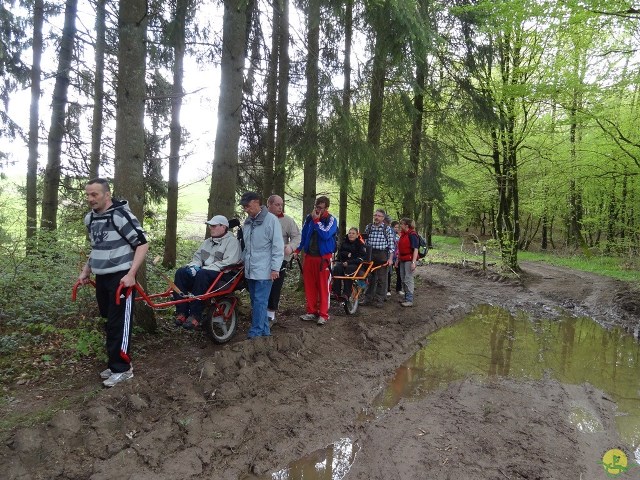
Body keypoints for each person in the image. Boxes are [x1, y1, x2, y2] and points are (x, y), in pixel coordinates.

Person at [77, 178, 149, 388]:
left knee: (119, 323)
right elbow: (97, 247)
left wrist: (131, 274)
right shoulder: (90, 219)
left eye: (95, 194)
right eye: (88, 194)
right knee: (108, 321)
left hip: (121, 278)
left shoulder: (120, 215)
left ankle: (123, 369)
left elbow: (142, 244)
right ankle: (114, 364)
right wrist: (85, 271)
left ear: (107, 195)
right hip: (102, 277)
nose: (90, 199)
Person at [173, 215, 241, 330]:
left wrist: (207, 268)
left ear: (223, 227)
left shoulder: (232, 242)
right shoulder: (207, 242)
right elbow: (198, 257)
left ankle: (195, 316)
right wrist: (194, 266)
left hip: (222, 274)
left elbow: (230, 261)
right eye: (210, 226)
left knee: (202, 274)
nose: (211, 228)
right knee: (181, 272)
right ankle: (182, 312)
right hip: (204, 273)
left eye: (214, 226)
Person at [240, 191, 284, 338]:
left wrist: (275, 268)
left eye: (248, 205)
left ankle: (256, 333)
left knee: (259, 301)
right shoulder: (247, 222)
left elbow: (277, 246)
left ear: (257, 202)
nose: (245, 209)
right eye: (244, 206)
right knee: (256, 301)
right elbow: (247, 247)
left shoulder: (271, 220)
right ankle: (265, 331)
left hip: (265, 270)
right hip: (251, 269)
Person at [294, 195, 338, 325]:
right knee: (310, 285)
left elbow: (325, 235)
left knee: (324, 287)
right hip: (310, 257)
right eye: (316, 207)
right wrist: (298, 250)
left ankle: (323, 314)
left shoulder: (331, 220)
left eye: (320, 208)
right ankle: (311, 311)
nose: (317, 210)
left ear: (326, 208)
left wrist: (317, 221)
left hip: (323, 258)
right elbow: (304, 235)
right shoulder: (309, 218)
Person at [266, 194, 301, 326]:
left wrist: (291, 247)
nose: (280, 207)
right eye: (277, 204)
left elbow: (297, 236)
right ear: (269, 204)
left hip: (280, 259)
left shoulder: (287, 221)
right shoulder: (262, 218)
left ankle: (271, 315)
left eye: (281, 205)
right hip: (262, 258)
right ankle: (260, 311)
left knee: (275, 285)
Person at [362, 208, 395, 308]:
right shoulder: (369, 227)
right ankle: (368, 298)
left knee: (381, 278)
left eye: (379, 216)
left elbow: (391, 245)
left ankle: (379, 299)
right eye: (375, 215)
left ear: (383, 218)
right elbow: (365, 241)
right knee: (369, 277)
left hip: (382, 255)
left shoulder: (387, 229)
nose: (376, 217)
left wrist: (390, 259)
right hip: (370, 254)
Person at [331, 227, 367, 301]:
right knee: (337, 268)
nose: (351, 235)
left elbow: (361, 258)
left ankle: (346, 294)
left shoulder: (360, 245)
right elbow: (340, 254)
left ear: (357, 235)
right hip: (343, 263)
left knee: (349, 269)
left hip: (355, 265)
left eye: (353, 233)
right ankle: (336, 292)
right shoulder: (344, 243)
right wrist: (347, 254)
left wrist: (349, 262)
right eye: (350, 233)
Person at [396, 217, 420, 307]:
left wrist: (413, 262)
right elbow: (400, 249)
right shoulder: (403, 234)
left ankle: (409, 300)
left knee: (408, 279)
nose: (400, 225)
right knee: (403, 278)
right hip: (402, 259)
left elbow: (416, 249)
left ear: (406, 225)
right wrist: (397, 259)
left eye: (401, 224)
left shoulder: (412, 234)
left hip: (410, 259)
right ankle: (406, 298)